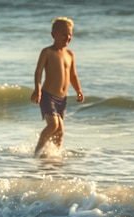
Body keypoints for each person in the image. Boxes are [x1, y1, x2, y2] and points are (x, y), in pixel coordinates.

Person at [30, 17, 84, 157]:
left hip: (62, 99)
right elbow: (38, 71)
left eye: (70, 34)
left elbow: (73, 76)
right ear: (53, 34)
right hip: (48, 96)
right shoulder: (47, 52)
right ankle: (37, 152)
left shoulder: (70, 55)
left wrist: (78, 90)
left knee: (60, 132)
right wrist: (37, 89)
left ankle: (54, 156)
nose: (68, 37)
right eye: (64, 34)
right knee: (53, 125)